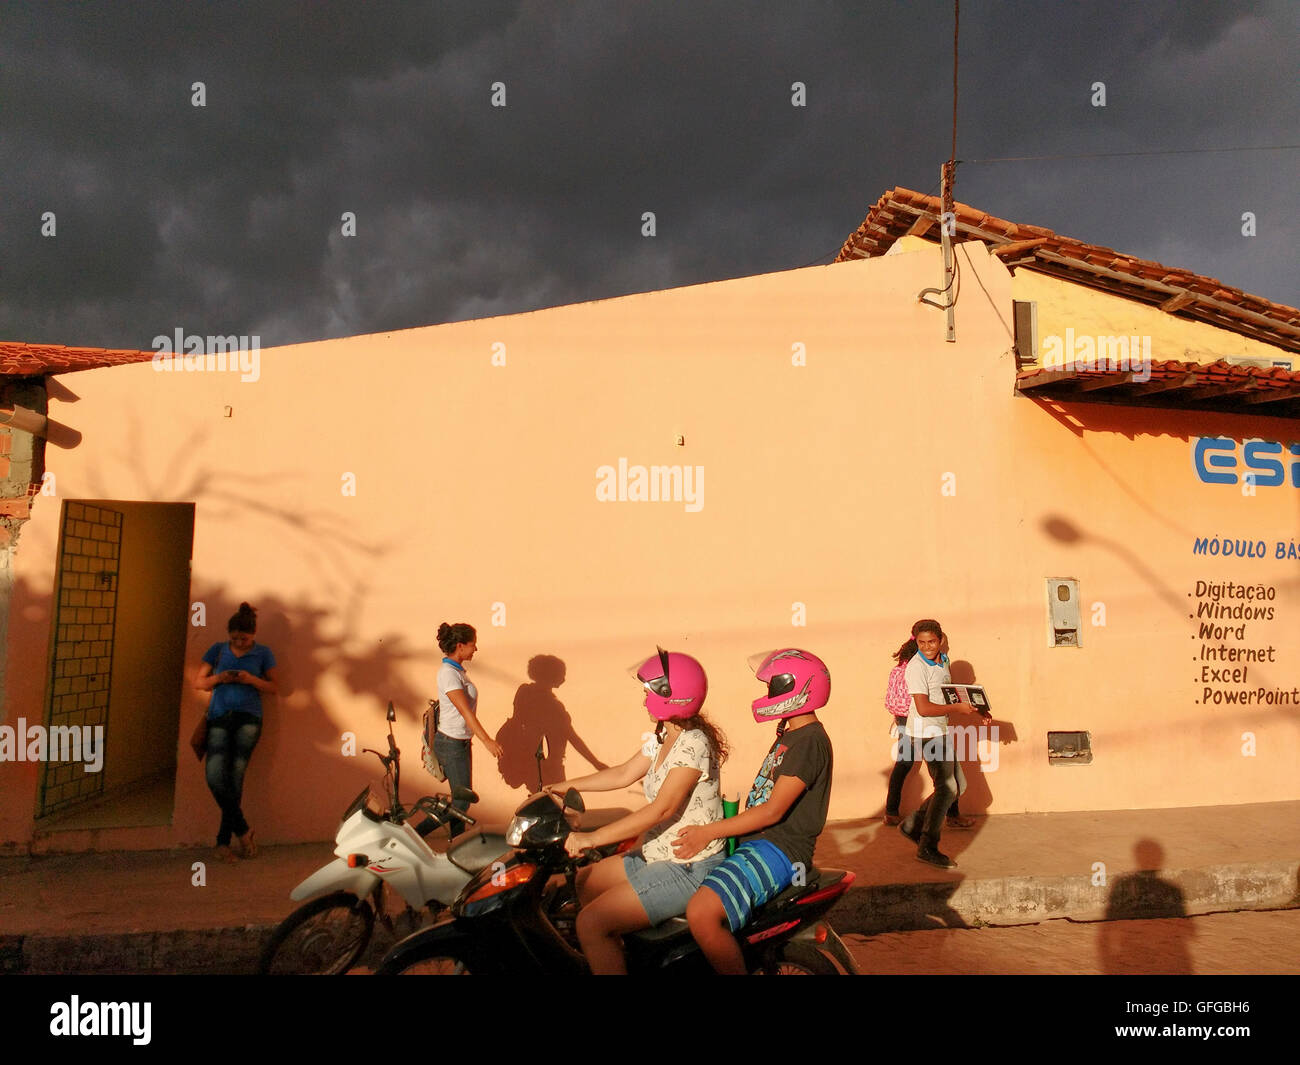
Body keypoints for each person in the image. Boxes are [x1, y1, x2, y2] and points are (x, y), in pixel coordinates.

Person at [550, 648, 728, 975]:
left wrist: (592, 838)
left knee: (590, 923)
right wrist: (564, 785)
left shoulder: (694, 743)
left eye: (650, 692)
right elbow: (622, 773)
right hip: (657, 852)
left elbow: (662, 810)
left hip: (687, 865)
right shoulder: (662, 736)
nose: (645, 699)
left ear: (671, 696)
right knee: (585, 882)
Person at [675, 648, 834, 975]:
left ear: (796, 688)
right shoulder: (793, 733)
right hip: (762, 844)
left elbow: (772, 812)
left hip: (781, 850)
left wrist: (707, 832)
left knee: (702, 913)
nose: (766, 694)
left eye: (772, 687)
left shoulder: (809, 741)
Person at [897, 618, 986, 869]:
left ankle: (913, 825)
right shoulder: (916, 668)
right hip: (926, 733)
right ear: (916, 642)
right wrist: (957, 708)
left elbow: (949, 693)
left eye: (932, 642)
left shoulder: (943, 660)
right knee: (947, 788)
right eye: (922, 643)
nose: (927, 647)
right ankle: (928, 846)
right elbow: (924, 708)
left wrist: (979, 711)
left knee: (959, 785)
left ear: (941, 640)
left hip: (940, 730)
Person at [195, 602, 278, 863]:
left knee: (235, 778)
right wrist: (220, 678)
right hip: (219, 718)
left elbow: (275, 686)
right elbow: (199, 682)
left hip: (248, 720)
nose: (240, 643)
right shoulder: (217, 650)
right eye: (235, 638)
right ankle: (243, 830)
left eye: (245, 638)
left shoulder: (264, 653)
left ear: (254, 635)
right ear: (228, 634)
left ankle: (222, 843)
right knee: (214, 776)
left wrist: (250, 679)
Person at [884, 634, 973, 829]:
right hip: (919, 720)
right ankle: (949, 816)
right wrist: (956, 707)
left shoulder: (925, 663)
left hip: (908, 718)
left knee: (905, 764)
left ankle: (891, 812)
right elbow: (925, 704)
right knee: (944, 777)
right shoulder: (918, 666)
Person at [434, 622, 502, 838]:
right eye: (473, 644)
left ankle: (456, 845)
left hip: (460, 742)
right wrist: (487, 740)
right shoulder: (448, 674)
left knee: (459, 802)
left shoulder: (458, 671)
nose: (476, 649)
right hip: (451, 743)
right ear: (461, 646)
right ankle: (414, 834)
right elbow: (466, 712)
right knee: (462, 803)